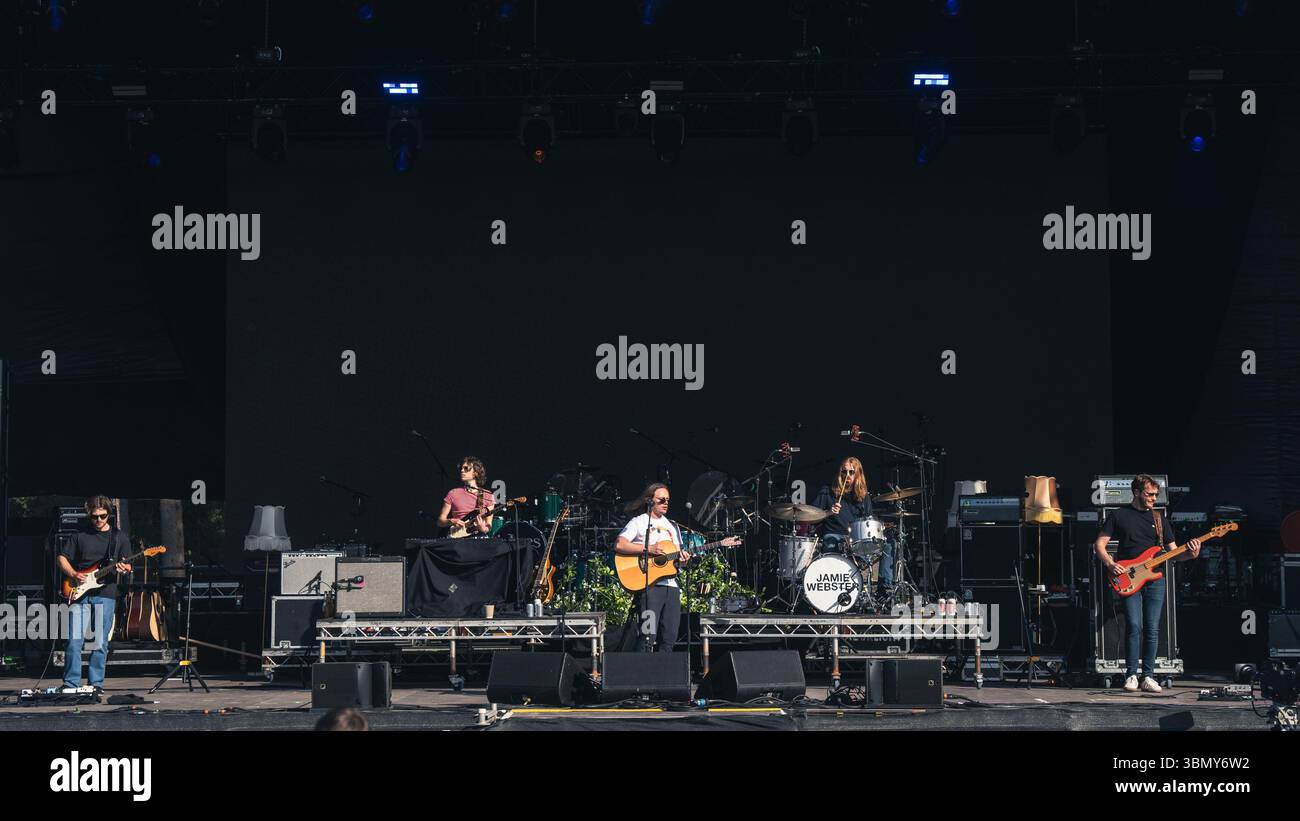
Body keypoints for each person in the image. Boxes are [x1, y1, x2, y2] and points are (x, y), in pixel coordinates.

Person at [1095, 474, 1201, 693]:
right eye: (1149, 494)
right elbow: (1100, 545)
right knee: (1134, 625)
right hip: (1129, 577)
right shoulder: (1118, 515)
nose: (1154, 498)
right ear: (1136, 492)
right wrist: (1110, 564)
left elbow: (1174, 554)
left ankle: (1148, 676)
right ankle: (1131, 674)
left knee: (1152, 628)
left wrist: (1190, 555)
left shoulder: (1160, 519)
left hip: (1155, 579)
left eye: (1155, 494)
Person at [58, 495, 133, 692]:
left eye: (103, 516)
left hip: (105, 593)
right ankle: (70, 683)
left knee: (99, 642)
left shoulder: (119, 537)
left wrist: (124, 569)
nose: (99, 520)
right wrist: (74, 574)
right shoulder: (79, 535)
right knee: (74, 641)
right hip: (79, 592)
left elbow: (127, 565)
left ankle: (95, 684)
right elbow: (62, 558)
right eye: (94, 517)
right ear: (89, 515)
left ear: (109, 514)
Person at [614, 483, 691, 652]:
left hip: (671, 587)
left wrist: (683, 560)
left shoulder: (673, 526)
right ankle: (639, 674)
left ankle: (666, 676)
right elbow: (620, 544)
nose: (665, 503)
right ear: (650, 501)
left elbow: (676, 558)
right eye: (661, 499)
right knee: (647, 634)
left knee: (670, 636)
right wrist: (648, 548)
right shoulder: (639, 522)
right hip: (650, 586)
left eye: (668, 500)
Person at [812, 457, 894, 597]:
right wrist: (828, 512)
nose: (847, 475)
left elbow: (868, 520)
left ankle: (884, 589)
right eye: (844, 472)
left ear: (858, 474)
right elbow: (812, 517)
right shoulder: (827, 492)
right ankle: (833, 591)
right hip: (835, 535)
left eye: (851, 472)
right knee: (831, 541)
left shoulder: (863, 497)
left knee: (888, 545)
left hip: (856, 540)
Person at [437, 456, 494, 537]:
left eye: (466, 468)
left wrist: (482, 528)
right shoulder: (453, 493)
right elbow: (440, 522)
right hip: (456, 538)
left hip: (477, 539)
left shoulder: (488, 495)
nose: (462, 470)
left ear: (476, 473)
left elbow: (489, 525)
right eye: (461, 468)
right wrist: (452, 521)